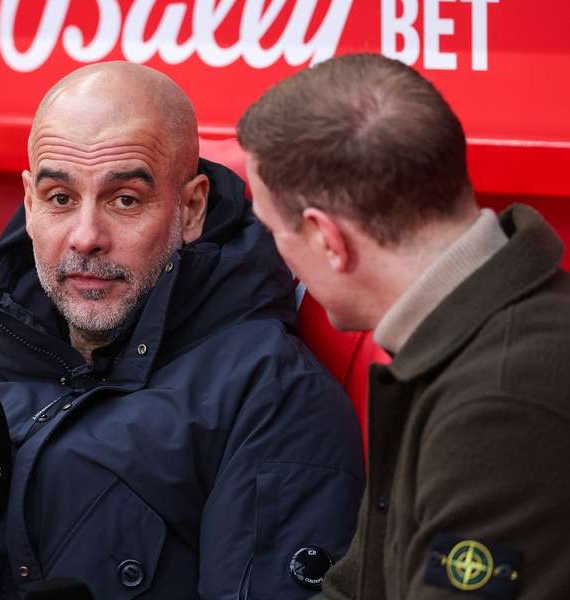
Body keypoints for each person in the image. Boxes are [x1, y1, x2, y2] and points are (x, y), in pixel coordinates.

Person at [0, 61, 364, 599]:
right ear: (31, 204)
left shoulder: (270, 396)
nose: (86, 237)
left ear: (192, 207)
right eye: (60, 198)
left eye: (124, 200)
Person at [237, 52, 570, 599]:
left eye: (273, 231)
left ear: (327, 240)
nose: (279, 257)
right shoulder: (461, 340)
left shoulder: (501, 403)